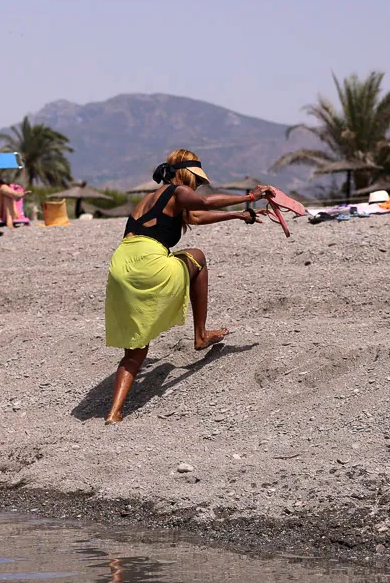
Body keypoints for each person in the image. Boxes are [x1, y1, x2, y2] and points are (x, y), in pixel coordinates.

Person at [103, 149, 272, 424]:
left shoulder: (149, 198)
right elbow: (204, 204)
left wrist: (238, 215)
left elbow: (195, 217)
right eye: (197, 180)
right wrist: (250, 197)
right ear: (185, 174)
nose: (197, 186)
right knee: (199, 257)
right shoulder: (178, 191)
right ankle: (201, 334)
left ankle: (114, 413)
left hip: (121, 266)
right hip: (147, 262)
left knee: (136, 350)